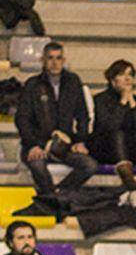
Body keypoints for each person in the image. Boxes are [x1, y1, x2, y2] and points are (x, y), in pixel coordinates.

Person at [15, 40, 98, 213]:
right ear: (43, 61)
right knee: (37, 165)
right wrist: (33, 145)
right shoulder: (33, 84)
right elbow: (22, 119)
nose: (55, 62)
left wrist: (81, 141)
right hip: (37, 143)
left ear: (64, 60)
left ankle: (55, 196)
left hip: (65, 145)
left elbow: (82, 115)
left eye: (58, 58)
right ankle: (54, 201)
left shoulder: (73, 82)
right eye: (50, 58)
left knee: (90, 165)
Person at [90, 59, 136, 190]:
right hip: (106, 148)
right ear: (112, 79)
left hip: (129, 148)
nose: (127, 78)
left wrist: (132, 104)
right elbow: (109, 127)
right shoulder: (100, 99)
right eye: (122, 74)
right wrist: (122, 102)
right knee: (118, 134)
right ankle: (126, 175)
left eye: (130, 74)